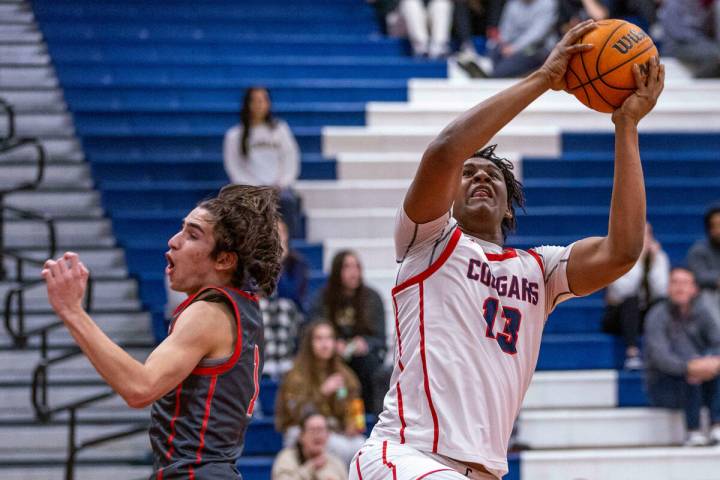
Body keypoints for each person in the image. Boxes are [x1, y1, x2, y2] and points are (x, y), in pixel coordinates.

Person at [350, 20, 665, 480]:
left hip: (481, 470)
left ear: (508, 207)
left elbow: (623, 251)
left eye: (492, 175)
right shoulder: (427, 242)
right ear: (449, 198)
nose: (479, 176)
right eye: (469, 172)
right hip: (405, 455)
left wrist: (626, 126)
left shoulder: (541, 269)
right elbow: (444, 152)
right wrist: (544, 78)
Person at [41, 185, 282, 479]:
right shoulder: (245, 310)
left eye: (192, 235)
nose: (173, 241)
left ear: (224, 260)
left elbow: (140, 389)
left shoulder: (208, 313)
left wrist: (72, 312)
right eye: (181, 230)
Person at [644, 267, 720, 447]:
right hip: (663, 383)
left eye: (685, 283)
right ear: (668, 288)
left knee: (713, 373)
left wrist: (712, 361)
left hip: (701, 377)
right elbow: (660, 357)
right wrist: (689, 367)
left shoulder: (702, 312)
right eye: (675, 283)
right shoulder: (657, 315)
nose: (680, 288)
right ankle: (692, 431)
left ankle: (717, 425)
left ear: (694, 289)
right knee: (691, 376)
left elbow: (717, 341)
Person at [275, 320, 366, 466]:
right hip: (301, 429)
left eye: (329, 338)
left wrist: (353, 423)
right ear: (309, 344)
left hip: (334, 429)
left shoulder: (344, 374)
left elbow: (355, 405)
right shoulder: (296, 376)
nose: (325, 344)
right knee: (338, 447)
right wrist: (322, 392)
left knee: (362, 445)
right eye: (319, 338)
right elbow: (296, 413)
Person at [309, 251, 387, 415]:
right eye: (347, 267)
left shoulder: (372, 298)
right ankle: (333, 414)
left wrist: (365, 343)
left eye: (356, 266)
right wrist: (333, 343)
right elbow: (313, 329)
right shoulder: (323, 298)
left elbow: (380, 339)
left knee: (371, 365)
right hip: (332, 355)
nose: (353, 272)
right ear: (337, 271)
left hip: (364, 358)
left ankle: (371, 415)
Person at [223, 86, 302, 236]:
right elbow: (234, 168)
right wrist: (256, 188)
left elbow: (291, 159)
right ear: (247, 104)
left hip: (279, 188)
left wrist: (281, 183)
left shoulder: (280, 130)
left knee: (288, 201)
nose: (259, 104)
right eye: (255, 100)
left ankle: (287, 247)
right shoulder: (234, 135)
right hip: (249, 190)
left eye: (263, 100)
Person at [603, 223, 670, 369]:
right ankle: (632, 353)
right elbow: (622, 291)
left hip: (646, 313)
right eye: (639, 234)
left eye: (647, 235)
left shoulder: (659, 257)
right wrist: (638, 260)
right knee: (631, 300)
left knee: (662, 304)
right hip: (618, 315)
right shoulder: (617, 256)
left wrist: (652, 262)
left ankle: (665, 352)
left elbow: (661, 290)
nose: (644, 239)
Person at [483, 0, 559, 78]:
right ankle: (484, 67)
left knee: (501, 71)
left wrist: (514, 48)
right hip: (511, 47)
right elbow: (506, 30)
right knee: (493, 48)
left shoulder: (548, 3)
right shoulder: (513, 3)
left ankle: (492, 73)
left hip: (536, 49)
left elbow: (537, 34)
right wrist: (502, 43)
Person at [272, 412, 349, 480]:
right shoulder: (287, 458)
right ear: (301, 436)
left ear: (328, 435)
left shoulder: (336, 463)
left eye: (321, 430)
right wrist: (310, 468)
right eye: (312, 430)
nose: (317, 435)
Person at [658, 0, 720, 78]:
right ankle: (698, 79)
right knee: (716, 53)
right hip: (676, 47)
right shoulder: (674, 3)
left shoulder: (702, 6)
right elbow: (679, 35)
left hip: (698, 45)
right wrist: (705, 44)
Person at [688, 203, 720, 324]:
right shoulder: (698, 250)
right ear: (709, 228)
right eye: (715, 225)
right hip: (706, 298)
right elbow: (698, 277)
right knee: (707, 298)